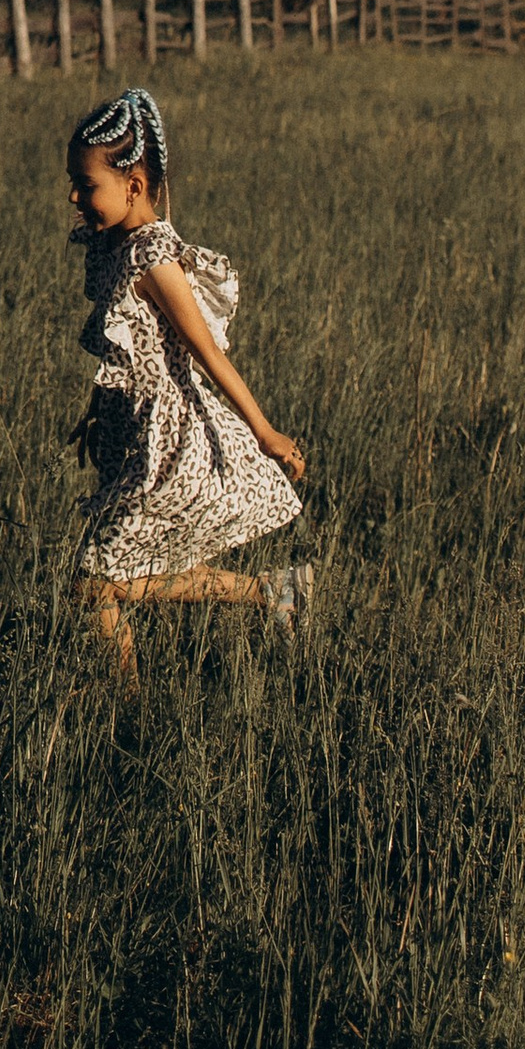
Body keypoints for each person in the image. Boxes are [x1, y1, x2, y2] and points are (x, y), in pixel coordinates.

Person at [65, 86, 309, 684]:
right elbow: (127, 351)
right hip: (135, 434)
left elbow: (207, 355)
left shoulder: (153, 258)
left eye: (86, 184)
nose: (74, 197)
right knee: (120, 575)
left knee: (94, 582)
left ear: (134, 186)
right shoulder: (113, 246)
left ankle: (125, 708)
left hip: (172, 443)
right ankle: (271, 594)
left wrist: (266, 431)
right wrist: (95, 415)